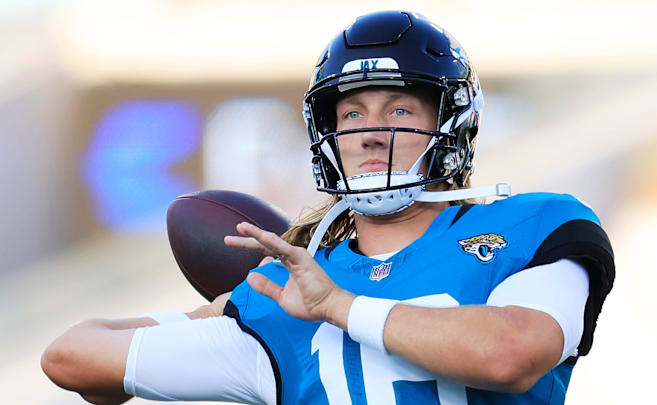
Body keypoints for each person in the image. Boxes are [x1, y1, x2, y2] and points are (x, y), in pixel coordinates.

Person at [41, 10, 614, 405]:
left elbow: (512, 353)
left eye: (398, 111)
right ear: (328, 135)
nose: (369, 133)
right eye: (352, 115)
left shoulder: (534, 225)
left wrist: (339, 305)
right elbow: (71, 357)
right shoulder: (276, 306)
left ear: (451, 124)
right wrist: (224, 315)